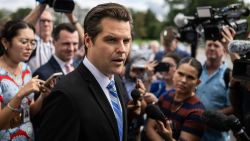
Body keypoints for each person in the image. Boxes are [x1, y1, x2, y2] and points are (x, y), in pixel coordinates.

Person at [38, 3, 133, 141]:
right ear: (88, 41)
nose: (122, 49)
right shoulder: (65, 95)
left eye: (126, 40)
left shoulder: (116, 81)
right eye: (111, 40)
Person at [0, 20, 51, 140]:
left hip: (28, 136)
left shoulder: (25, 68)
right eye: (24, 42)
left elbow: (29, 113)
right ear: (5, 42)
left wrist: (43, 96)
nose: (29, 47)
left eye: (33, 42)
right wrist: (20, 94)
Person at [145, 57, 205, 141]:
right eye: (180, 74)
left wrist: (169, 138)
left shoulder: (197, 111)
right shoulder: (166, 96)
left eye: (190, 77)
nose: (183, 80)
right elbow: (149, 128)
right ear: (174, 73)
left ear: (197, 82)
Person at [195, 27, 235, 141]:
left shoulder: (229, 75)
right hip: (194, 134)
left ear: (224, 51)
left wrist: (209, 116)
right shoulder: (196, 71)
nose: (212, 48)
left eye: (216, 45)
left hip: (217, 137)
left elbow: (234, 107)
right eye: (209, 45)